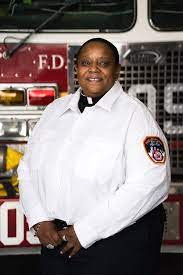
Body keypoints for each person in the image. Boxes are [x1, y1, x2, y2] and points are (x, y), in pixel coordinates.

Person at [18, 38, 171, 275]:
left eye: (103, 63)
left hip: (116, 247)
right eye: (86, 62)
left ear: (117, 70)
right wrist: (38, 219)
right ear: (76, 68)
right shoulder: (54, 111)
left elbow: (149, 184)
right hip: (56, 243)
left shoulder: (135, 116)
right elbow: (27, 168)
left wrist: (85, 231)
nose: (93, 70)